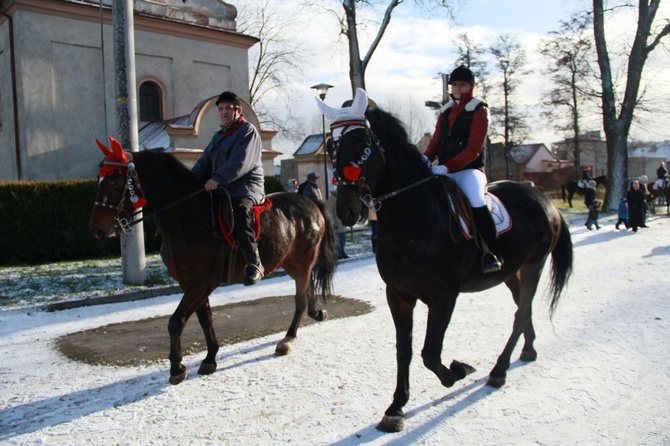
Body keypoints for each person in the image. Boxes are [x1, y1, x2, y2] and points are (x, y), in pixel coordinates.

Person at [423, 65, 502, 273]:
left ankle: (492, 252)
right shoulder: (446, 110)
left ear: (472, 86)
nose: (458, 88)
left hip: (469, 170)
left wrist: (448, 167)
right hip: (443, 170)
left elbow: (474, 149)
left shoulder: (479, 109)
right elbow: (436, 142)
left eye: (463, 84)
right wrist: (425, 158)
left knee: (476, 199)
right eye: (455, 85)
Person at [191, 91, 265, 286]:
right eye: (221, 109)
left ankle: (254, 263)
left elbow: (240, 163)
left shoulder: (247, 131)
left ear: (237, 110)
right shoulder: (217, 138)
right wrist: (189, 182)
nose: (224, 112)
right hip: (223, 187)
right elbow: (203, 164)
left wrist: (217, 179)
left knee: (239, 211)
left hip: (246, 187)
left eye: (228, 108)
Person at [326, 186, 349, 259]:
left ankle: (342, 253)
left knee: (343, 240)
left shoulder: (343, 197)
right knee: (337, 239)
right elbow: (328, 210)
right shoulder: (332, 198)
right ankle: (338, 254)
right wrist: (332, 222)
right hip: (336, 222)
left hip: (342, 222)